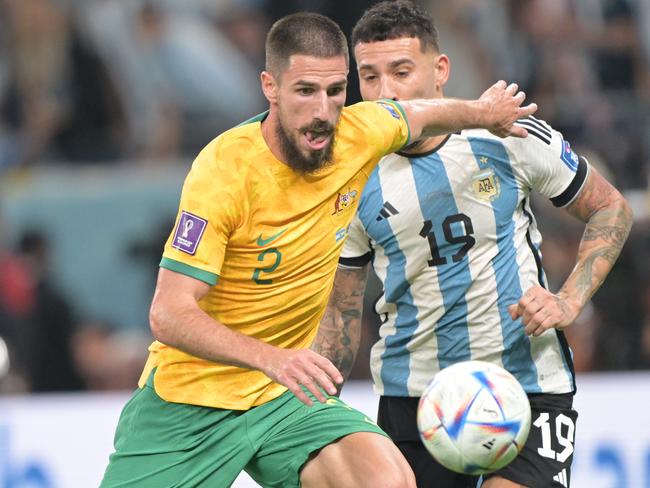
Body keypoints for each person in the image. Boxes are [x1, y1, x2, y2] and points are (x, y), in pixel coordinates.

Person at [100, 11, 536, 488]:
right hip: (193, 400)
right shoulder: (223, 172)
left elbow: (419, 114)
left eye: (335, 91)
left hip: (283, 399)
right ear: (270, 86)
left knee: (385, 480)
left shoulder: (357, 132)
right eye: (305, 90)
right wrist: (272, 357)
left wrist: (483, 112)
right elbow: (169, 313)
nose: (324, 111)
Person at [311, 2, 633, 487]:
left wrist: (569, 300)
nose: (386, 93)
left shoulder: (507, 133)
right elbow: (342, 312)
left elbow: (611, 208)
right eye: (370, 77)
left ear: (440, 70)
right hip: (415, 401)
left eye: (401, 72)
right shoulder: (349, 177)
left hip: (527, 385)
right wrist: (314, 404)